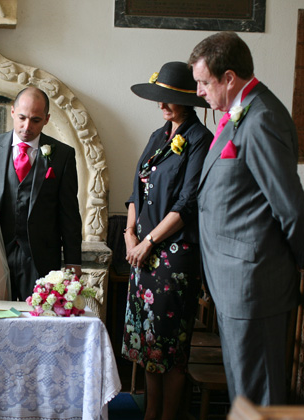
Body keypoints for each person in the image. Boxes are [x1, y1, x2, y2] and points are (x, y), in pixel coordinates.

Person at [189, 31, 304, 405]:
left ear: (229, 78)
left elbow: (289, 206)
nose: (200, 92)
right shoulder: (242, 112)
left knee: (258, 394)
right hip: (233, 280)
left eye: (204, 83)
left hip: (255, 283)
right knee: (244, 392)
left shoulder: (263, 118)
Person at [121, 61, 212, 420]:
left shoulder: (199, 140)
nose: (162, 104)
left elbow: (187, 204)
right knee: (148, 347)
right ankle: (150, 413)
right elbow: (136, 190)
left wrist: (149, 242)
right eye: (160, 97)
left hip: (174, 258)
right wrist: (130, 235)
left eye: (169, 98)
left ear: (188, 101)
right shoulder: (158, 136)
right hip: (142, 254)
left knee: (170, 349)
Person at [0, 86, 82, 301]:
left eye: (35, 120)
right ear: (12, 112)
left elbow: (69, 213)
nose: (27, 126)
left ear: (46, 119)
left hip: (41, 258)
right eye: (22, 118)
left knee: (38, 323)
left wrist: (73, 261)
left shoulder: (63, 155)